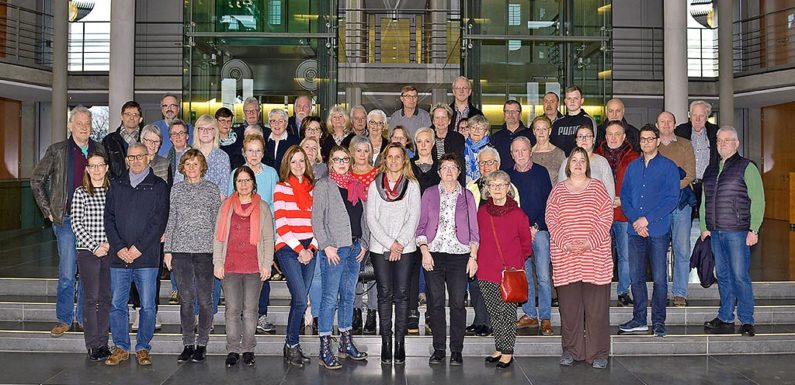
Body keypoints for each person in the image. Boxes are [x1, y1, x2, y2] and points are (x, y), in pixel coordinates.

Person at [31, 106, 100, 337]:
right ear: (70, 125)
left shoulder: (98, 150)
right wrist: (48, 211)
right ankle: (64, 319)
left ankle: (83, 318)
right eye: (79, 123)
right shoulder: (57, 150)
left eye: (87, 124)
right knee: (68, 272)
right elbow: (36, 179)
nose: (84, 127)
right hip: (67, 220)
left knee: (88, 272)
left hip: (92, 223)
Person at [546, 147, 614, 369]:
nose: (577, 164)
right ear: (567, 165)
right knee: (570, 309)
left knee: (596, 310)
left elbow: (605, 218)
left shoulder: (598, 188)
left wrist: (588, 243)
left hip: (594, 258)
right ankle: (571, 350)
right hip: (566, 258)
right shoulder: (557, 191)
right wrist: (566, 243)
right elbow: (551, 219)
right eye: (573, 160)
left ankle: (599, 352)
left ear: (587, 164)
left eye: (582, 160)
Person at [103, 143, 169, 366]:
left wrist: (137, 249)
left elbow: (159, 221)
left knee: (148, 306)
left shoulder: (159, 186)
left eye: (140, 156)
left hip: (147, 257)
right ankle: (121, 347)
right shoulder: (117, 184)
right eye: (131, 157)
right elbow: (109, 219)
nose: (136, 160)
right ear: (127, 160)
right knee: (117, 304)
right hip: (119, 257)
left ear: (148, 158)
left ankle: (142, 347)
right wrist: (120, 247)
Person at [700, 126, 765, 337]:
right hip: (716, 232)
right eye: (719, 141)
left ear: (737, 144)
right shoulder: (710, 170)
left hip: (738, 232)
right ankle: (725, 315)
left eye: (727, 140)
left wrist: (754, 229)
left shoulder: (747, 167)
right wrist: (704, 226)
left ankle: (747, 319)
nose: (722, 144)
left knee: (740, 276)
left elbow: (758, 200)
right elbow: (704, 201)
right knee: (724, 275)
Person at [417, 153, 479, 366]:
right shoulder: (429, 193)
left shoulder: (467, 195)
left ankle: (457, 350)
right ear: (439, 172)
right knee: (435, 304)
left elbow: (474, 230)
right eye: (445, 167)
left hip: (460, 256)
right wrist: (424, 251)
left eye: (453, 167)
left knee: (457, 305)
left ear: (459, 172)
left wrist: (473, 257)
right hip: (433, 255)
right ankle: (439, 349)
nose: (449, 171)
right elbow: (421, 225)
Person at [312, 146, 370, 369]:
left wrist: (364, 243)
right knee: (329, 298)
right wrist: (326, 246)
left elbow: (363, 218)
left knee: (348, 297)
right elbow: (317, 220)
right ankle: (325, 347)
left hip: (355, 249)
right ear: (330, 163)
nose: (342, 163)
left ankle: (346, 343)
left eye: (345, 159)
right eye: (337, 159)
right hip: (335, 251)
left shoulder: (356, 185)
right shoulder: (324, 185)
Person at [619, 125, 680, 338]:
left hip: (658, 231)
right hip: (635, 231)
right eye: (643, 139)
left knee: (660, 279)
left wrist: (647, 220)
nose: (646, 142)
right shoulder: (633, 167)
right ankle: (639, 319)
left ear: (657, 141)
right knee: (636, 277)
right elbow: (625, 197)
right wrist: (637, 220)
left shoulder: (669, 167)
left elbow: (671, 200)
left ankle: (659, 321)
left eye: (649, 139)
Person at [162, 149, 222, 364]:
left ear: (202, 166)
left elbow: (218, 224)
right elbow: (171, 220)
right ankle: (188, 343)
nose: (191, 168)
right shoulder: (176, 190)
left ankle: (202, 344)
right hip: (181, 251)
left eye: (195, 164)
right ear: (183, 167)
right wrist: (168, 250)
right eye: (187, 164)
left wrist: (219, 253)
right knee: (186, 299)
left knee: (205, 300)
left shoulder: (212, 190)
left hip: (206, 251)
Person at [213, 165, 275, 368]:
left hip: (254, 267)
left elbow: (268, 238)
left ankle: (248, 348)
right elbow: (218, 238)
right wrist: (218, 262)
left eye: (247, 180)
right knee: (232, 310)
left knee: (250, 311)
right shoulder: (226, 206)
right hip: (230, 266)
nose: (244, 184)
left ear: (253, 183)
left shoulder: (263, 206)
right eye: (240, 181)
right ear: (235, 184)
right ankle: (232, 349)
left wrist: (266, 264)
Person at [366, 143, 421, 365]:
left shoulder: (412, 185)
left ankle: (400, 343)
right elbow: (371, 219)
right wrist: (390, 244)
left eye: (398, 157)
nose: (394, 160)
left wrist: (399, 244)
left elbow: (414, 217)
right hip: (380, 248)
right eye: (390, 157)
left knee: (402, 295)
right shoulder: (374, 185)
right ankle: (385, 342)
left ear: (404, 160)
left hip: (406, 249)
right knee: (384, 294)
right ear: (384, 159)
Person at [476, 171, 532, 369]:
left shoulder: (518, 214)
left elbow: (526, 244)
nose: (497, 189)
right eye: (493, 185)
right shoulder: (482, 212)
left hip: (509, 272)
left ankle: (507, 351)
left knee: (507, 313)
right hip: (485, 269)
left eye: (501, 185)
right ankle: (499, 347)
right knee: (494, 312)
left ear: (508, 188)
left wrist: (515, 263)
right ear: (487, 189)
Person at [227, 134, 279, 334]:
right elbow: (230, 203)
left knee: (262, 276)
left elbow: (275, 204)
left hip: (263, 234)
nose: (254, 154)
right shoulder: (236, 174)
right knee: (240, 278)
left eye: (258, 150)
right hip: (239, 237)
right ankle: (241, 316)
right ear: (244, 152)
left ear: (263, 152)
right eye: (250, 150)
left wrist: (271, 234)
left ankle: (261, 316)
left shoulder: (271, 174)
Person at [274, 145, 318, 367]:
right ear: (287, 165)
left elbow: (319, 223)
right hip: (288, 248)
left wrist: (310, 249)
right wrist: (299, 250)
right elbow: (281, 224)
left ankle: (290, 345)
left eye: (301, 161)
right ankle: (292, 345)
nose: (298, 165)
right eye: (293, 162)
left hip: (311, 247)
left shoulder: (314, 189)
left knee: (300, 299)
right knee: (300, 298)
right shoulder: (281, 188)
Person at [508, 137, 554, 336]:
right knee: (524, 276)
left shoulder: (541, 173)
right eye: (516, 151)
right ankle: (529, 314)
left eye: (523, 150)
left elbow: (548, 203)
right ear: (511, 155)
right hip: (518, 234)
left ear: (530, 152)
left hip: (540, 230)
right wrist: (522, 229)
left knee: (543, 276)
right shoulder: (508, 176)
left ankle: (545, 317)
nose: (520, 154)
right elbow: (508, 207)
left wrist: (535, 227)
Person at [594, 119, 640, 307]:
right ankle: (599, 290)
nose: (613, 138)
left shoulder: (634, 157)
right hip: (600, 213)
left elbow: (638, 186)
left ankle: (623, 290)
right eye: (609, 134)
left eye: (617, 134)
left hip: (623, 212)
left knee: (624, 254)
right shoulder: (595, 156)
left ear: (623, 137)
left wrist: (623, 198)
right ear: (605, 136)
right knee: (601, 254)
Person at [71, 151, 112, 361]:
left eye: (100, 165)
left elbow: (117, 222)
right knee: (91, 298)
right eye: (92, 166)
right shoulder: (80, 192)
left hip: (109, 252)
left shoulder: (113, 192)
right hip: (88, 252)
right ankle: (92, 344)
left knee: (106, 299)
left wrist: (109, 245)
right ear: (87, 169)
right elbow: (76, 224)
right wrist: (95, 246)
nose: (96, 170)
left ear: (106, 168)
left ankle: (103, 343)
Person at [657, 111, 696, 307]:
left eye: (669, 121)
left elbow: (690, 175)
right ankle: (662, 290)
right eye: (662, 121)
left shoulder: (685, 144)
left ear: (674, 124)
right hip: (658, 206)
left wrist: (669, 188)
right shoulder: (651, 146)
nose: (666, 124)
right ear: (657, 125)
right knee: (660, 250)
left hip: (681, 203)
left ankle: (680, 291)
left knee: (682, 249)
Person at [408, 127, 439, 333]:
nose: (424, 145)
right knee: (411, 271)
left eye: (428, 141)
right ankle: (411, 313)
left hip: (434, 226)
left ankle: (431, 315)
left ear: (433, 143)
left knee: (432, 271)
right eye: (420, 141)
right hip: (411, 224)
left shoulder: (441, 167)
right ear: (415, 144)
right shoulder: (407, 166)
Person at [348, 135, 379, 334]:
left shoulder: (378, 174)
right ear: (352, 153)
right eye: (358, 150)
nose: (362, 154)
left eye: (366, 150)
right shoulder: (347, 174)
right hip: (352, 231)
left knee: (375, 272)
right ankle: (356, 310)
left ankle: (372, 313)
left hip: (375, 229)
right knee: (354, 272)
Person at [557, 125, 616, 203]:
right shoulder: (566, 162)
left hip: (596, 212)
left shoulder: (602, 162)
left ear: (593, 140)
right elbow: (560, 192)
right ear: (576, 140)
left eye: (588, 136)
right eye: (580, 136)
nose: (584, 139)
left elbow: (610, 194)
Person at [550, 86, 598, 156]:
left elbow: (593, 145)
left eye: (575, 98)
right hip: (561, 164)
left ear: (582, 101)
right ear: (565, 101)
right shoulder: (557, 123)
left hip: (581, 163)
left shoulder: (588, 121)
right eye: (569, 98)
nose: (572, 101)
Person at [491, 100, 536, 172]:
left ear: (520, 114)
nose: (510, 115)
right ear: (504, 114)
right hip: (503, 179)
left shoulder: (531, 135)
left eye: (514, 111)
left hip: (526, 176)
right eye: (507, 111)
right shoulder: (495, 137)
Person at [192, 114, 231, 197]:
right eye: (201, 128)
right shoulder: (187, 154)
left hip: (215, 206)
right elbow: (178, 184)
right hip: (188, 206)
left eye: (209, 129)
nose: (205, 132)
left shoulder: (222, 157)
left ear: (215, 132)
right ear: (197, 131)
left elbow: (224, 189)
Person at [103, 101, 142, 180]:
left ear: (140, 119)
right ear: (121, 117)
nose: (131, 117)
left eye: (135, 114)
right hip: (115, 188)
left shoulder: (145, 140)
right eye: (128, 114)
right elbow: (103, 167)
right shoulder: (108, 141)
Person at [429, 103, 466, 185]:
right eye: (437, 118)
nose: (440, 121)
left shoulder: (458, 138)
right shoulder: (426, 137)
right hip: (431, 183)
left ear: (449, 120)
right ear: (433, 121)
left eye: (443, 117)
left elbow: (460, 165)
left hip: (453, 182)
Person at [530, 116, 566, 183]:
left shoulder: (559, 154)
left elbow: (565, 179)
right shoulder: (528, 154)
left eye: (544, 129)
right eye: (538, 129)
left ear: (550, 131)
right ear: (533, 131)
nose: (541, 132)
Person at [464, 115, 491, 183]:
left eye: (481, 128)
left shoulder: (491, 149)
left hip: (485, 184)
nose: (476, 131)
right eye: (473, 127)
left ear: (486, 132)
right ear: (469, 130)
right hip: (464, 185)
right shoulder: (461, 147)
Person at [167, 119, 192, 185]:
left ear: (187, 136)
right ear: (170, 138)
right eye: (174, 134)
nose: (178, 136)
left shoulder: (196, 155)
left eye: (181, 133)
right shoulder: (165, 158)